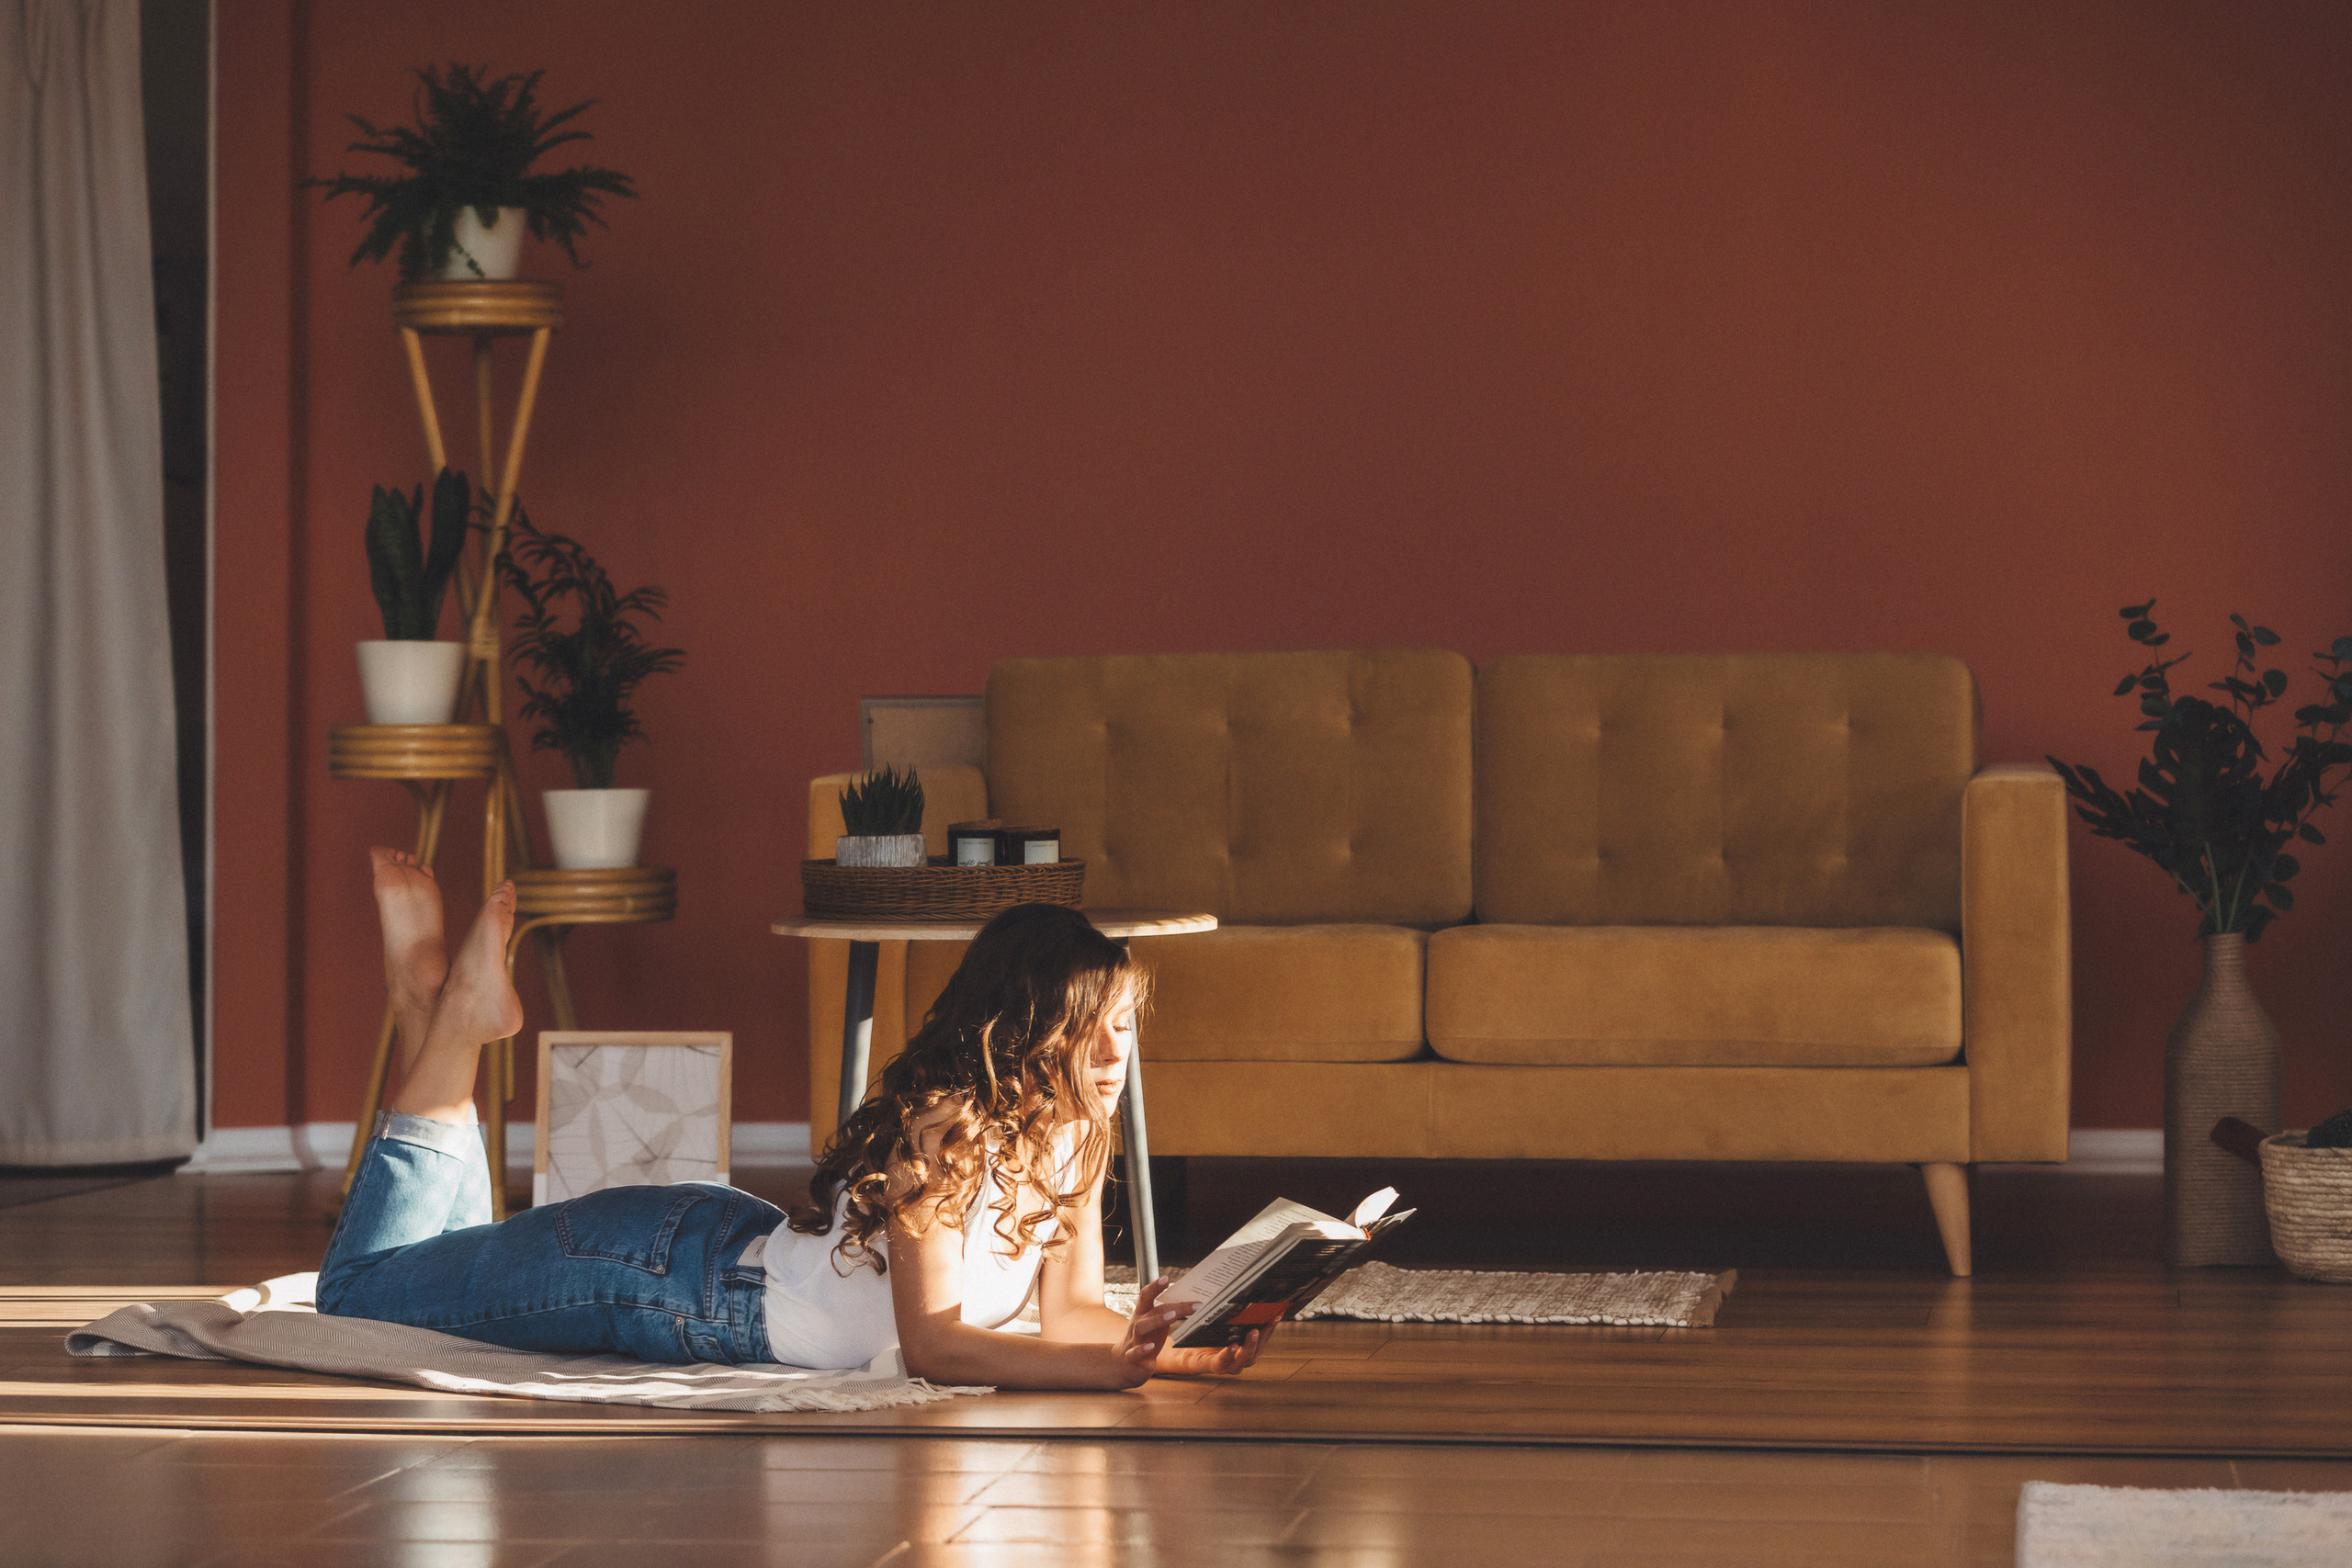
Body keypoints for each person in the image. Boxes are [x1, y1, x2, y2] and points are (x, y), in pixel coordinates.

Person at [318, 849, 1272, 1388]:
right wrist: (1103, 1375)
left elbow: (1064, 1313)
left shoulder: (1071, 1135)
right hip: (659, 1276)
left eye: (1121, 1033)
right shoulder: (937, 1133)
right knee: (358, 1296)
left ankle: (430, 1007)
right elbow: (934, 1346)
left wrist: (1170, 1352)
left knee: (436, 1262)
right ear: (1026, 1033)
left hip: (717, 1248)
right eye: (1091, 1035)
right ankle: (441, 1016)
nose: (1115, 1060)